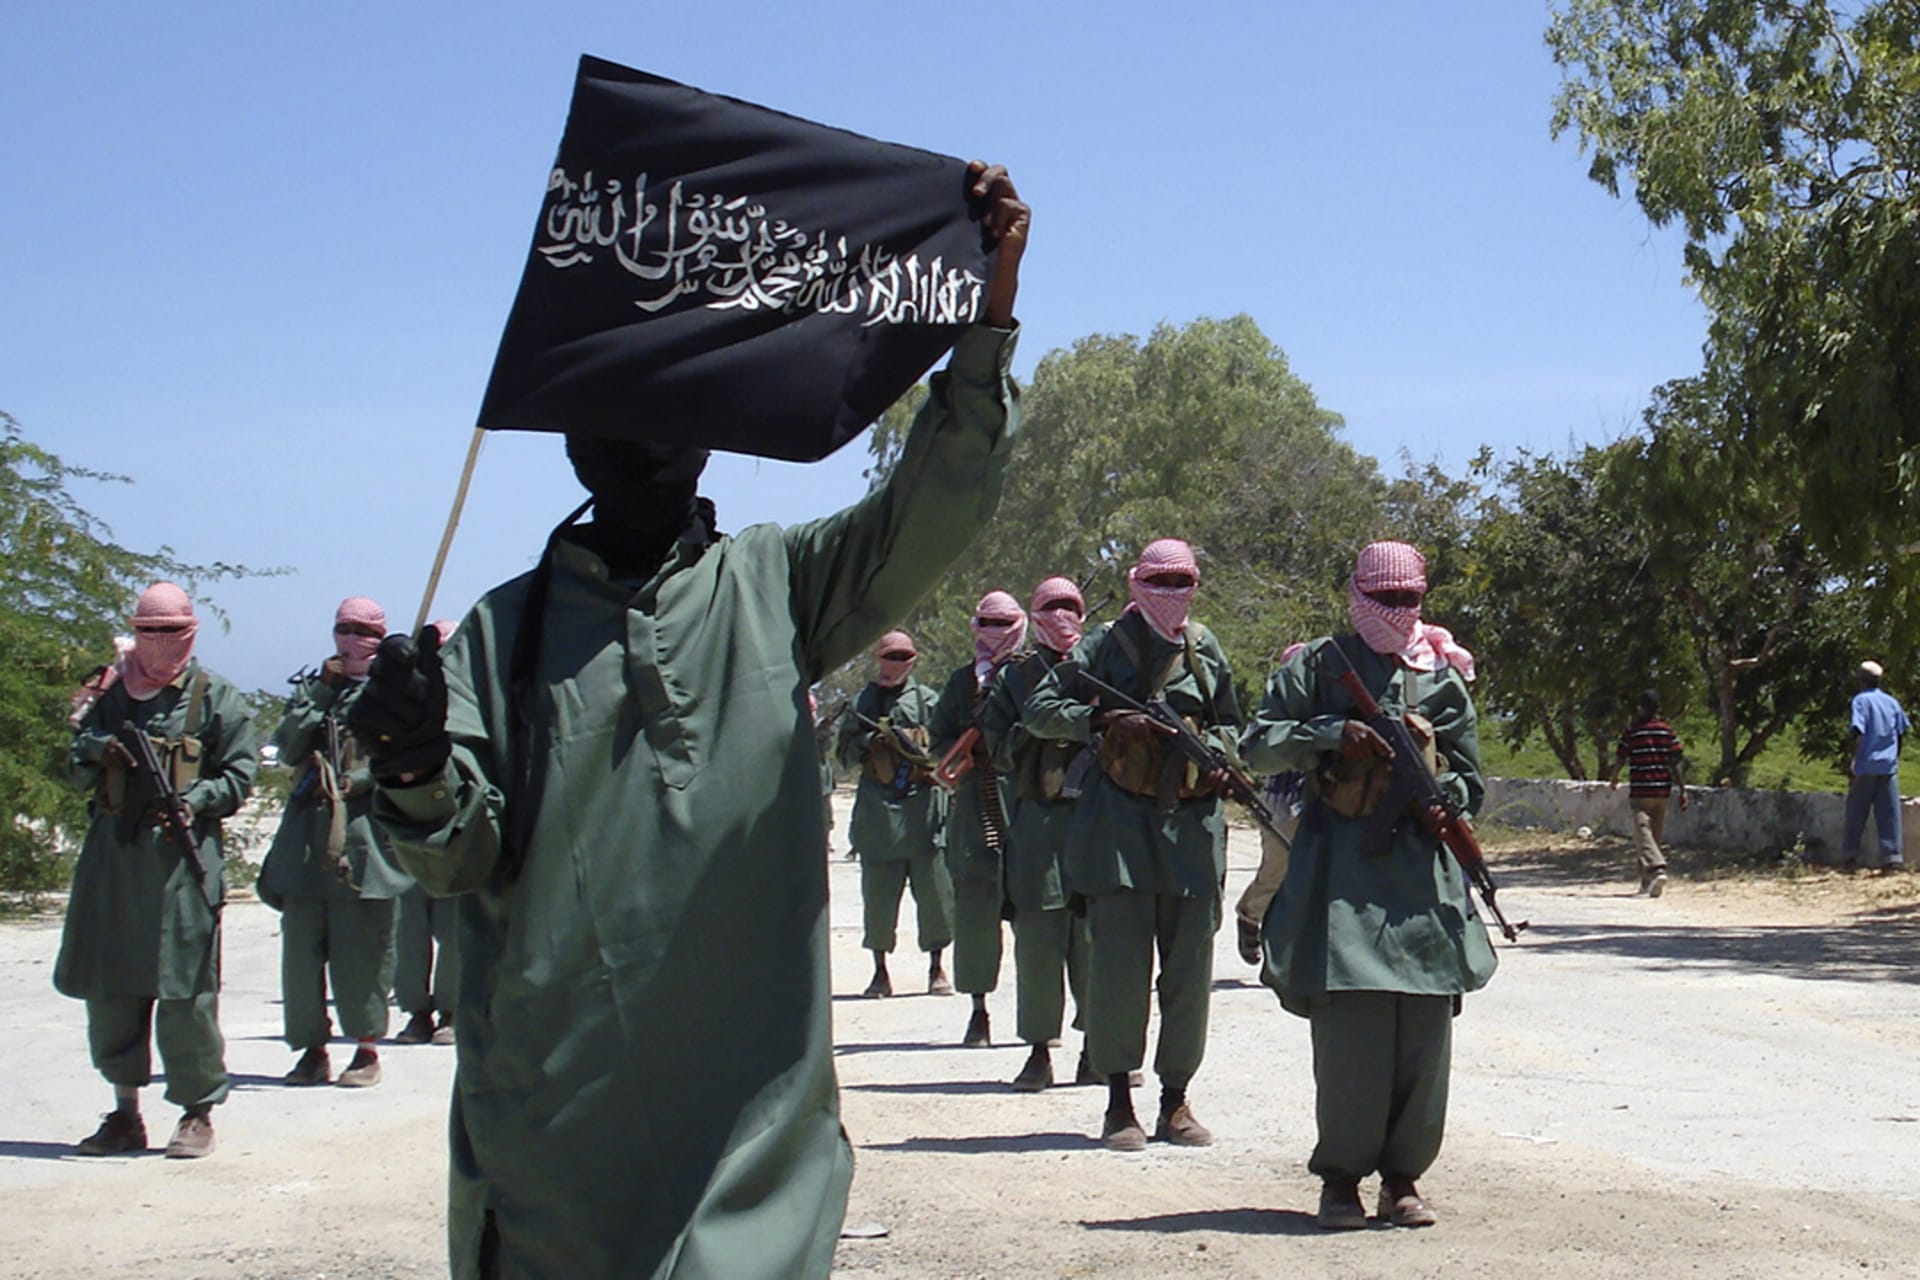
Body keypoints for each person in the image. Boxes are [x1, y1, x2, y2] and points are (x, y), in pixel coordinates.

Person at [350, 162, 1026, 1279]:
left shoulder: (778, 586)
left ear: (709, 437)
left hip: (747, 1123)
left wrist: (990, 310)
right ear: (568, 438)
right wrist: (411, 758)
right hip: (556, 1120)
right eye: (615, 415)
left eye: (672, 413)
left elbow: (938, 500)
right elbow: (452, 856)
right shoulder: (498, 635)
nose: (645, 439)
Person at [1241, 540, 1496, 1231]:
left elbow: (1472, 777)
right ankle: (1341, 1184)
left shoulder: (1442, 678)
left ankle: (1404, 1180)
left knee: (1422, 1039)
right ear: (1356, 594)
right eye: (1384, 598)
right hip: (1340, 878)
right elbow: (1257, 744)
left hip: (1423, 883)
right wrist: (1333, 735)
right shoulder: (1319, 666)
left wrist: (1447, 799)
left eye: (1409, 598)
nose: (1398, 611)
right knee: (1352, 1040)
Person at [1022, 538, 1239, 1151]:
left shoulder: (1206, 650)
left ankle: (1176, 1101)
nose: (1172, 595)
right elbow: (1041, 708)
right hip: (1117, 830)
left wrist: (1220, 758)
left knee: (1189, 972)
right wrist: (1103, 721)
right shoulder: (1102, 646)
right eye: (1160, 583)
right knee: (1119, 971)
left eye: (1184, 583)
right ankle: (1119, 1101)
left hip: (1192, 832)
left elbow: (1230, 724)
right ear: (1138, 583)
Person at [56, 582, 257, 1158]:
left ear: (190, 631)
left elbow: (241, 775)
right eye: (148, 632)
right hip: (114, 861)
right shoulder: (111, 696)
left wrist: (197, 799)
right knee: (112, 987)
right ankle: (124, 1113)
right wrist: (100, 748)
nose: (158, 643)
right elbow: (73, 772)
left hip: (180, 863)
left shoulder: (217, 699)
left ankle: (196, 1112)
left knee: (185, 991)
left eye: (171, 632)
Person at [259, 597, 412, 1086]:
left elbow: (408, 757)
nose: (352, 640)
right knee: (301, 956)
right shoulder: (313, 689)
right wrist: (325, 692)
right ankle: (310, 1049)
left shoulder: (399, 691)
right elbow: (289, 745)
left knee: (363, 953)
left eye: (364, 632)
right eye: (344, 629)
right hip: (307, 839)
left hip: (364, 837)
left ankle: (366, 1049)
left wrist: (360, 781)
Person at [980, 576, 1099, 1089]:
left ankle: (1100, 1048)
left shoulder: (1100, 666)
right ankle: (1037, 1050)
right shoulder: (1016, 677)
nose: (1062, 615)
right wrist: (1036, 725)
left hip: (1095, 822)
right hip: (1037, 824)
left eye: (1071, 606)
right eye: (1051, 607)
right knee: (1038, 943)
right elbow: (997, 749)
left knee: (1096, 940)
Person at [930, 590, 1027, 1047]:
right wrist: (971, 748)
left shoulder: (1032, 674)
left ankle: (1046, 1021)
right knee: (974, 910)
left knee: (1041, 917)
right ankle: (978, 1010)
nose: (995, 631)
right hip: (976, 806)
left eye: (1003, 622)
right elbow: (938, 744)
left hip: (1026, 803)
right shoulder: (961, 683)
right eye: (987, 621)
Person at [838, 631, 955, 997]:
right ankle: (879, 971)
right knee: (878, 898)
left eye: (903, 657)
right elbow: (843, 754)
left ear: (913, 660)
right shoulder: (863, 703)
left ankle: (937, 967)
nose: (895, 663)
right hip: (878, 812)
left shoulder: (928, 702)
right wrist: (869, 743)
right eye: (890, 656)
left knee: (935, 896)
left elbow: (946, 748)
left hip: (922, 810)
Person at [395, 620, 463, 1047]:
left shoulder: (469, 701)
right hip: (411, 828)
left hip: (456, 828)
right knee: (411, 929)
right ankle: (416, 1010)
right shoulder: (406, 702)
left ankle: (452, 1009)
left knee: (455, 929)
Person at [1233, 641, 1307, 963]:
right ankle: (1250, 916)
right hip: (1281, 802)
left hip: (1318, 800)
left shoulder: (1329, 703)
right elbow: (1249, 749)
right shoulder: (1274, 708)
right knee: (1277, 870)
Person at [1610, 689, 1686, 896]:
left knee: (1643, 832)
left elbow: (1620, 757)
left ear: (1641, 708)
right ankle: (1647, 883)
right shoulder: (1667, 731)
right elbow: (1676, 762)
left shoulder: (1632, 731)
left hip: (1641, 790)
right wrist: (1682, 789)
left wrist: (1614, 777)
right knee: (1653, 838)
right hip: (1662, 790)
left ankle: (1657, 868)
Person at [1842, 660, 1909, 873]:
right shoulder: (1891, 702)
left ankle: (1850, 858)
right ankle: (1892, 860)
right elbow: (1900, 733)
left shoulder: (1861, 701)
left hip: (1865, 765)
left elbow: (1858, 731)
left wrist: (1853, 762)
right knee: (1889, 814)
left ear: (1861, 679)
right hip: (1887, 767)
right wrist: (1894, 758)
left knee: (1856, 813)